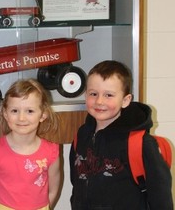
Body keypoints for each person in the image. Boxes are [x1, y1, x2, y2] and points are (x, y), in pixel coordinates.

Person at [69, 60, 173, 210]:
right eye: (93, 94)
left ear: (125, 100)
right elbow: (77, 183)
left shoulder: (140, 143)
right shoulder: (82, 135)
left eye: (109, 95)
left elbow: (161, 198)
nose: (99, 101)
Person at [0, 79, 61, 210]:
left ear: (43, 115)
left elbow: (53, 190)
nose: (21, 118)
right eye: (14, 111)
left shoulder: (51, 152)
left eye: (29, 111)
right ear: (5, 114)